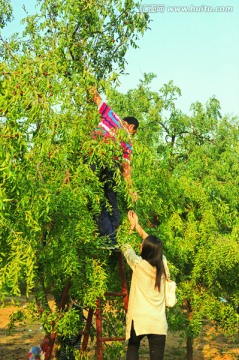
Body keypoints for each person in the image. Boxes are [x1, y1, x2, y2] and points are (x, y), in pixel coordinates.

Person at [90, 88, 139, 245]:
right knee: (111, 202)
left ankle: (107, 236)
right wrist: (131, 189)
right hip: (107, 164)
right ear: (131, 127)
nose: (132, 135)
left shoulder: (111, 114)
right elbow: (125, 169)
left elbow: (96, 97)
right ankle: (110, 239)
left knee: (93, 196)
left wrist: (89, 84)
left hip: (90, 156)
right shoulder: (128, 141)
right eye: (134, 132)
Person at [121, 210, 171, 360]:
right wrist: (138, 226)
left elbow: (124, 245)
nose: (140, 246)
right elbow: (153, 245)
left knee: (133, 348)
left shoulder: (138, 264)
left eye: (142, 245)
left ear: (144, 250)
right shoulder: (163, 263)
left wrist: (131, 228)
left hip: (140, 319)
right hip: (158, 322)